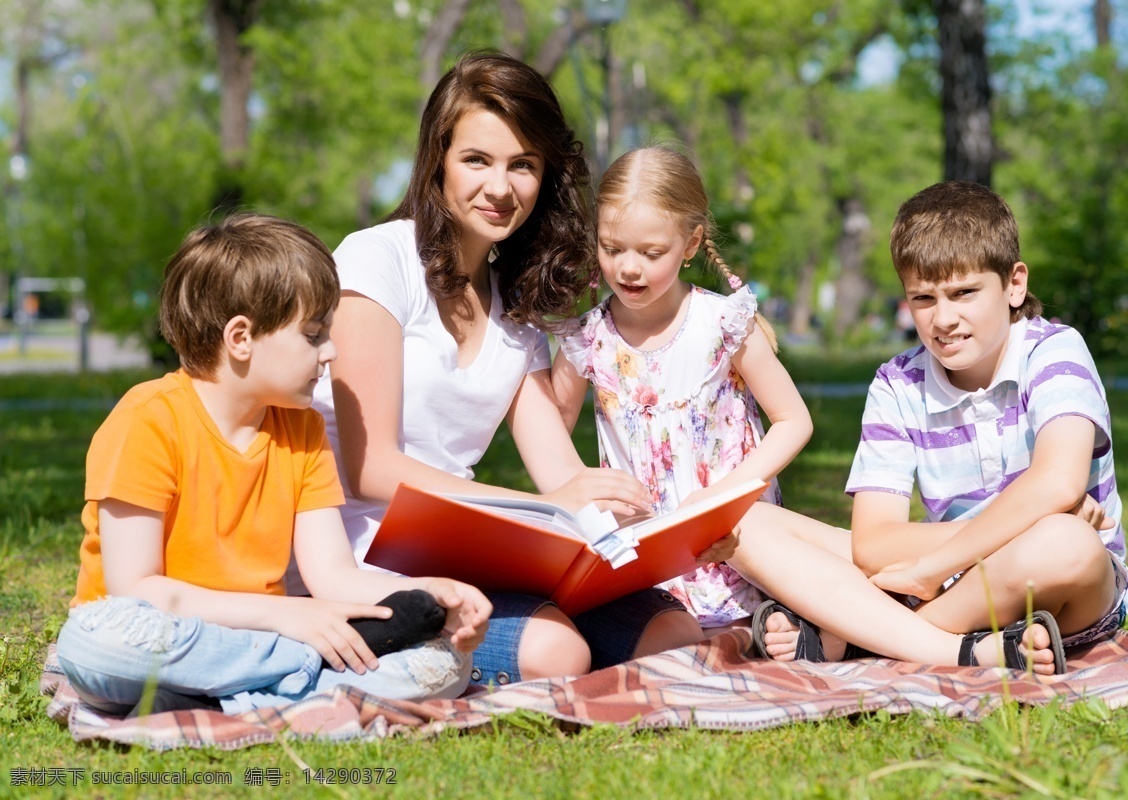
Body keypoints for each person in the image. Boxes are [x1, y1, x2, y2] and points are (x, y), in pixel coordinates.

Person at [313, 53, 704, 687]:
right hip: (364, 551)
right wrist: (538, 508)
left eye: (522, 165)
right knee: (557, 653)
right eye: (477, 160)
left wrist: (654, 530)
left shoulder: (516, 306)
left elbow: (564, 478)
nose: (501, 188)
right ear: (437, 158)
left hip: (476, 547)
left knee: (675, 637)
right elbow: (370, 468)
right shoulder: (377, 261)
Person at [54, 214, 491, 716]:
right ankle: (294, 678)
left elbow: (334, 577)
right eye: (313, 334)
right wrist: (290, 619)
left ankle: (218, 694)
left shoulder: (302, 431)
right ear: (240, 338)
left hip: (255, 637)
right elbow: (138, 589)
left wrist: (426, 592)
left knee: (447, 663)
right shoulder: (146, 420)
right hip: (166, 633)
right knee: (93, 643)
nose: (331, 352)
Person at [736, 181, 1128, 674]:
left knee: (1065, 543)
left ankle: (862, 634)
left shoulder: (1054, 351)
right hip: (943, 566)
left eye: (964, 292)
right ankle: (951, 644)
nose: (943, 319)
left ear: (1014, 284)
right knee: (741, 522)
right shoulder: (898, 381)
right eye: (923, 298)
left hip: (1049, 582)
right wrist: (1012, 522)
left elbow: (1058, 480)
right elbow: (873, 543)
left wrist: (932, 568)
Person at [550, 145, 812, 634]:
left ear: (691, 245)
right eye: (612, 248)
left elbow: (794, 421)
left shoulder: (723, 324)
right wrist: (580, 497)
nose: (629, 268)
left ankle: (776, 624)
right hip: (645, 551)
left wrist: (724, 498)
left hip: (732, 537)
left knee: (747, 628)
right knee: (666, 636)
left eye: (651, 254)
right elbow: (550, 433)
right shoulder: (588, 338)